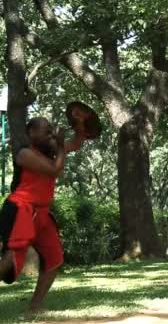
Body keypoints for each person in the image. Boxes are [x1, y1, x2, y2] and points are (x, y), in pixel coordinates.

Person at [0, 117, 85, 314]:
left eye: (51, 129)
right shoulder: (25, 154)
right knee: (11, 262)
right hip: (21, 209)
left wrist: (81, 126)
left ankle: (35, 306)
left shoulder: (51, 150)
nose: (50, 132)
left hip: (43, 214)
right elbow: (54, 170)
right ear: (31, 133)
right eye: (45, 129)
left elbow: (76, 143)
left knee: (54, 258)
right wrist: (62, 147)